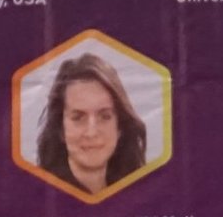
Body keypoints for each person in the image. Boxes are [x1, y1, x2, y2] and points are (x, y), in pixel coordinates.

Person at [34, 53, 149, 195]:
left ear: (120, 127)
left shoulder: (142, 196)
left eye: (105, 117)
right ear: (60, 129)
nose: (91, 132)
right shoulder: (37, 198)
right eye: (78, 118)